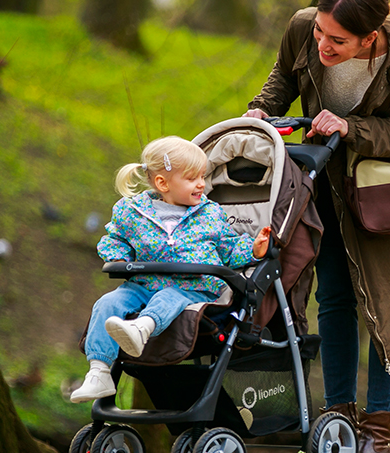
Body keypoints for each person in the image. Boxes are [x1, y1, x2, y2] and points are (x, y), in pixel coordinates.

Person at [243, 0, 390, 453]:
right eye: (321, 34)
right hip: (322, 182)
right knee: (332, 297)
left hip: (384, 192)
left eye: (339, 40)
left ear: (370, 37)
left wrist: (353, 127)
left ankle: (378, 434)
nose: (324, 45)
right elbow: (284, 78)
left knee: (385, 304)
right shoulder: (303, 27)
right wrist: (259, 116)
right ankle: (340, 420)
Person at [70, 136, 271, 403]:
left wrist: (254, 250)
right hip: (143, 284)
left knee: (168, 297)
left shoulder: (211, 214)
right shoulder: (131, 212)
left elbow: (229, 248)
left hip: (193, 289)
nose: (201, 184)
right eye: (192, 179)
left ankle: (142, 328)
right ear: (162, 183)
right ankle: (99, 372)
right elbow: (114, 239)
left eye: (202, 176)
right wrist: (119, 258)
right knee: (108, 302)